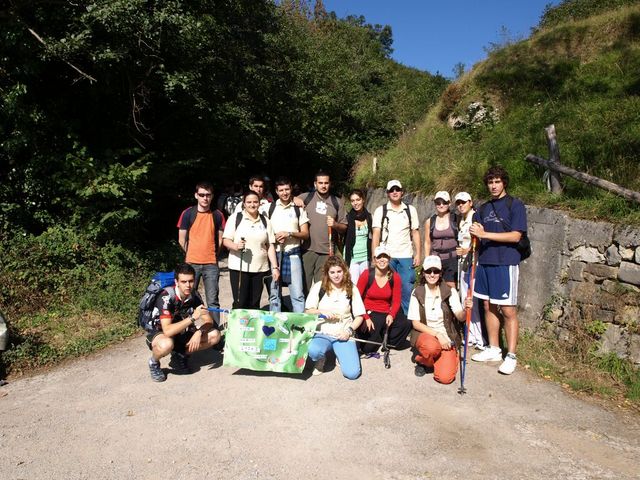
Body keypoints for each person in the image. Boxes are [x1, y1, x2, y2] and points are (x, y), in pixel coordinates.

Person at [470, 166, 527, 375]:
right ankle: (494, 348)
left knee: (508, 309)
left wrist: (485, 234)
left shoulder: (515, 205)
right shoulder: (483, 208)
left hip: (505, 262)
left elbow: (515, 236)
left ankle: (511, 355)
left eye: (497, 181)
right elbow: (478, 235)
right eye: (490, 182)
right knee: (487, 305)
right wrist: (475, 233)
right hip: (485, 261)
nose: (493, 186)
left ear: (504, 183)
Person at [146, 264, 222, 382]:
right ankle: (154, 362)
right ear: (176, 282)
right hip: (161, 332)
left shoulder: (194, 295)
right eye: (184, 281)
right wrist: (192, 318)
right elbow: (167, 330)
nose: (188, 285)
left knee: (215, 335)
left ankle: (180, 354)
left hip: (182, 331)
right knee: (166, 344)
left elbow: (208, 320)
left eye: (191, 281)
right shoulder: (166, 297)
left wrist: (199, 332)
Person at [408, 256, 468, 384]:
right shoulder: (417, 292)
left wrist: (466, 310)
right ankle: (423, 360)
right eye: (429, 271)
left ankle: (437, 358)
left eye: (436, 271)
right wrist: (437, 335)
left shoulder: (450, 291)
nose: (432, 274)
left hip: (447, 337)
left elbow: (459, 316)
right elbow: (416, 323)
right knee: (431, 347)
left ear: (441, 273)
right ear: (423, 273)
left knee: (445, 378)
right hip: (426, 334)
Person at [304, 255, 366, 379]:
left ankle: (340, 355)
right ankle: (320, 359)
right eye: (332, 272)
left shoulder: (351, 288)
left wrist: (349, 331)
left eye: (339, 271)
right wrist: (320, 311)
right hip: (323, 333)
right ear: (327, 273)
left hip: (343, 334)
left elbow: (360, 316)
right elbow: (307, 311)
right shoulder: (319, 287)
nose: (336, 275)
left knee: (352, 374)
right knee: (313, 350)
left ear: (344, 271)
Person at [177, 181, 225, 325]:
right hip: (191, 263)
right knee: (187, 298)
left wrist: (213, 254)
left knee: (213, 301)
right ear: (196, 195)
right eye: (202, 195)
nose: (205, 198)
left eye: (208, 195)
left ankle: (214, 331)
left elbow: (221, 239)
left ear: (212, 196)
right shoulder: (187, 214)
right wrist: (191, 253)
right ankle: (186, 331)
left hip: (211, 263)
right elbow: (181, 239)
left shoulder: (217, 215)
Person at [371, 179, 421, 315]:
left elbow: (415, 232)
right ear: (387, 193)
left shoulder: (410, 210)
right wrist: (374, 256)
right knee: (387, 288)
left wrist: (418, 254)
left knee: (406, 288)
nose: (395, 192)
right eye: (391, 190)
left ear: (402, 192)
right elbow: (376, 234)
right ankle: (387, 316)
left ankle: (406, 319)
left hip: (406, 256)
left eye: (397, 189)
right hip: (386, 256)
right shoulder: (381, 211)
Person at [223, 191, 280, 309]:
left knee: (254, 303)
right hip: (239, 268)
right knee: (240, 302)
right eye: (249, 202)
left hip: (260, 268)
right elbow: (226, 240)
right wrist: (235, 246)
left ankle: (252, 327)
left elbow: (270, 246)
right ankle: (238, 326)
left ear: (259, 203)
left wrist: (275, 267)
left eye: (255, 202)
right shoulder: (236, 218)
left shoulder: (265, 221)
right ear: (244, 204)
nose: (252, 205)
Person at [294, 171, 347, 291]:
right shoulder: (306, 197)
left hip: (326, 251)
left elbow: (344, 227)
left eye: (326, 183)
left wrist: (335, 224)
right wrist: (294, 198)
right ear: (315, 184)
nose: (323, 185)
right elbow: (286, 199)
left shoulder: (337, 202)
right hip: (307, 250)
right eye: (320, 183)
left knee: (321, 287)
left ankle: (318, 308)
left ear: (330, 184)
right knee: (304, 285)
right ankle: (304, 309)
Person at [356, 245, 411, 355]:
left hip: (386, 311)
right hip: (370, 312)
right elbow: (357, 299)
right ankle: (380, 335)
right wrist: (365, 317)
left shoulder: (395, 277)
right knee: (368, 348)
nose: (382, 260)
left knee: (406, 323)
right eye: (379, 257)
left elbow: (396, 301)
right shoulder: (366, 274)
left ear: (389, 259)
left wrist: (391, 314)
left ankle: (389, 340)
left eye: (385, 257)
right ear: (375, 259)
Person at [267, 177, 310, 313]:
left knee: (297, 294)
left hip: (293, 255)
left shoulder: (298, 209)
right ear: (276, 192)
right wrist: (274, 237)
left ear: (291, 190)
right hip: (274, 255)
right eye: (281, 190)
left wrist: (289, 234)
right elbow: (265, 234)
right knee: (274, 295)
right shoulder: (269, 208)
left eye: (287, 189)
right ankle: (275, 325)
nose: (284, 193)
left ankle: (299, 326)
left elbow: (305, 234)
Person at [455, 191, 486, 350]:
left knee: (471, 301)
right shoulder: (462, 220)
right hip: (464, 266)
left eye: (464, 202)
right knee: (465, 301)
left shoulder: (475, 218)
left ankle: (479, 338)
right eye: (458, 203)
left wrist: (466, 251)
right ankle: (471, 336)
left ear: (471, 202)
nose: (461, 205)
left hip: (473, 264)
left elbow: (480, 241)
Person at [423, 191, 458, 288]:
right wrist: (427, 259)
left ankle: (452, 303)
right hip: (436, 258)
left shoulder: (456, 219)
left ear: (449, 203)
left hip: (453, 258)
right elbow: (427, 241)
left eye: (444, 202)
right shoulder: (430, 221)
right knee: (435, 285)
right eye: (438, 203)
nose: (441, 205)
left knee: (451, 285)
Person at [344, 188, 372, 283]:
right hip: (352, 258)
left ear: (363, 199)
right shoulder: (347, 218)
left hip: (366, 257)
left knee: (365, 286)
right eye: (352, 201)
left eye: (358, 200)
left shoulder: (369, 217)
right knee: (353, 286)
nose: (355, 203)